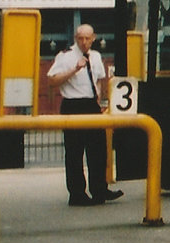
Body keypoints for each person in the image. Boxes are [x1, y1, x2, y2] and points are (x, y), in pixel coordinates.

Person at [46, 24, 122, 206]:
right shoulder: (65, 56)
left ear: (93, 38)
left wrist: (101, 101)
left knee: (98, 149)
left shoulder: (95, 56)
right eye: (80, 38)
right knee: (74, 152)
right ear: (75, 38)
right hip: (73, 104)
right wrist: (74, 69)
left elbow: (99, 80)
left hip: (91, 104)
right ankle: (77, 193)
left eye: (87, 38)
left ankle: (99, 189)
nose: (84, 42)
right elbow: (51, 81)